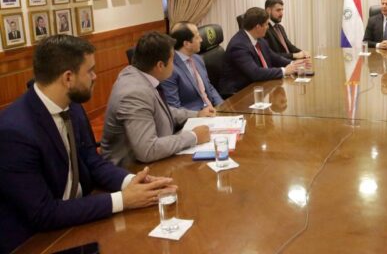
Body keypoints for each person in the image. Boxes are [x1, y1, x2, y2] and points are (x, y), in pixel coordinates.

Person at [0, 35, 175, 254]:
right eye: (90, 71)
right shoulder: (14, 131)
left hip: (81, 217)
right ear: (68, 78)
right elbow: (43, 213)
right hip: (37, 240)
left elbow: (92, 161)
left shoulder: (71, 105)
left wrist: (133, 182)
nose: (95, 77)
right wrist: (123, 200)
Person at [101, 32, 211, 167]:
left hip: (153, 159)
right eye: (172, 60)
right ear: (160, 65)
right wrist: (193, 136)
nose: (174, 65)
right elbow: (147, 150)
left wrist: (197, 114)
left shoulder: (140, 74)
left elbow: (161, 110)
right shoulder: (134, 93)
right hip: (131, 169)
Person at [220, 7, 303, 96]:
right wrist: (284, 71)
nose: (268, 27)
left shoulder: (259, 39)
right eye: (266, 24)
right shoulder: (238, 46)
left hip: (258, 86)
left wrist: (293, 64)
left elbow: (274, 57)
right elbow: (255, 73)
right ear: (258, 27)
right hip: (238, 94)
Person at [161, 22, 224, 112]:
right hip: (194, 117)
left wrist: (222, 106)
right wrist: (200, 115)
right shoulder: (170, 69)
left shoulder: (197, 58)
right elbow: (174, 109)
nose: (201, 40)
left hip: (213, 112)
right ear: (187, 44)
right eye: (197, 37)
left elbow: (209, 87)